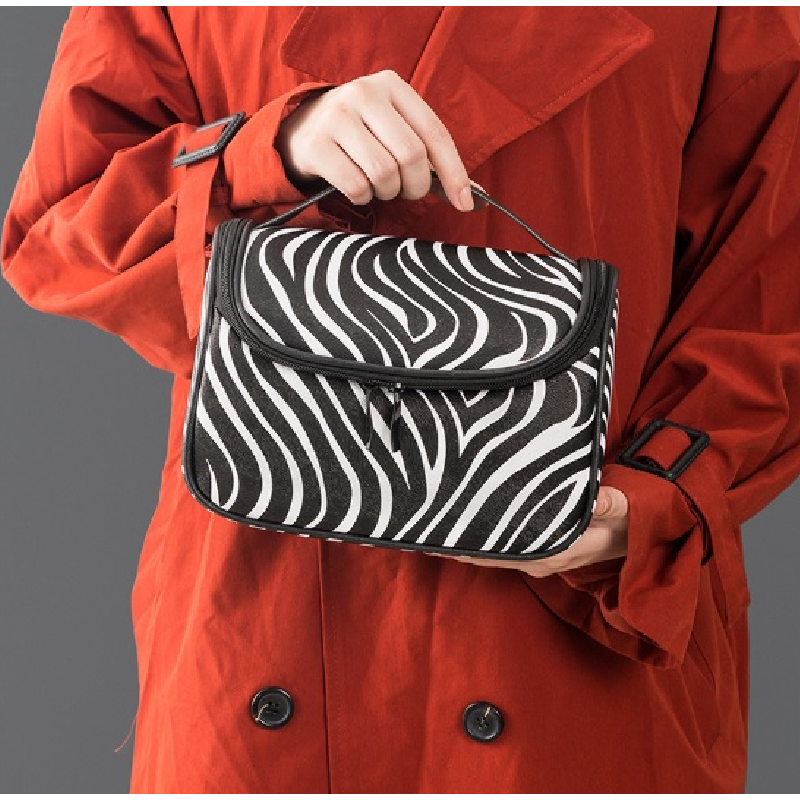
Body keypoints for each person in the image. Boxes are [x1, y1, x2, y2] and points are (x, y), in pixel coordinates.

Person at [2, 7, 799, 793]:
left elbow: (771, 289)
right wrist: (267, 150)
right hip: (262, 613)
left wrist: (659, 494)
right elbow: (63, 222)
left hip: (573, 614)